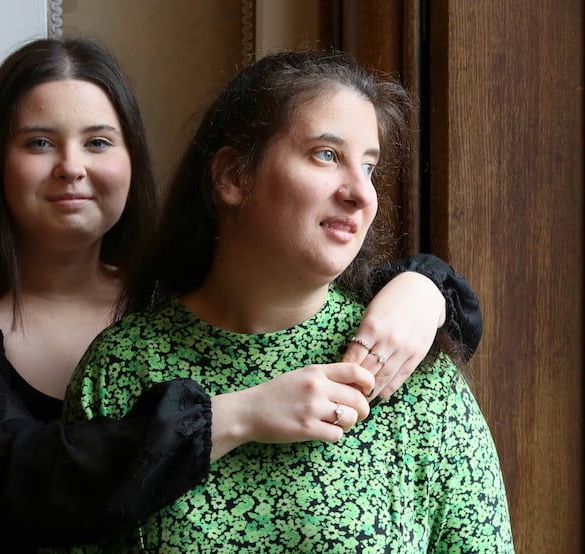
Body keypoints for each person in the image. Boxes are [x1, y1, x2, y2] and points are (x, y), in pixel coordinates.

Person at [0, 39, 485, 554]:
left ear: (133, 161)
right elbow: (12, 480)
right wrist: (239, 414)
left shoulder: (174, 296)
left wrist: (427, 288)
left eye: (99, 142)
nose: (71, 167)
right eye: (38, 142)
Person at [60, 49, 513, 552]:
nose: (361, 193)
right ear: (233, 177)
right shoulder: (122, 365)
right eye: (326, 154)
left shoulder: (408, 368)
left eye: (369, 167)